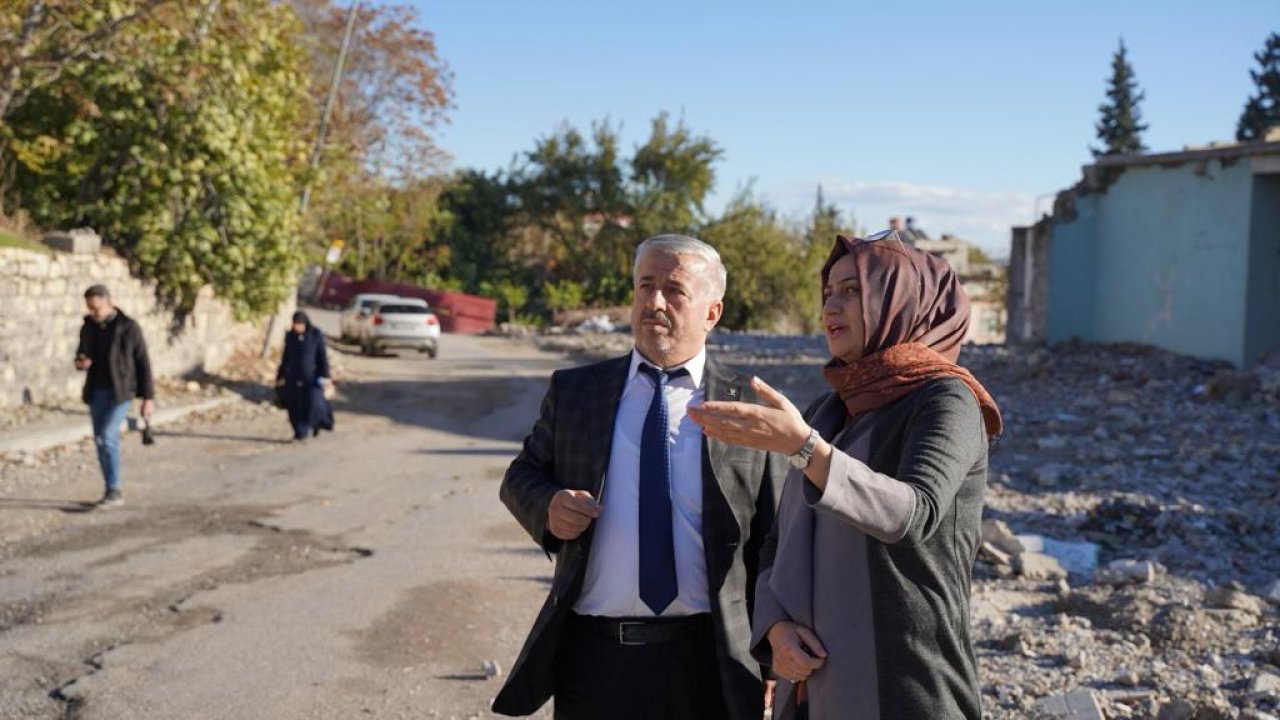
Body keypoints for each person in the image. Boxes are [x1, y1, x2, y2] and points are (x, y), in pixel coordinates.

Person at [690, 230, 1003, 719]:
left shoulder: (947, 400)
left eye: (852, 290)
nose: (831, 306)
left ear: (901, 299)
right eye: (828, 293)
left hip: (907, 685)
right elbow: (781, 537)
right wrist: (774, 629)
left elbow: (913, 514)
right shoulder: (829, 410)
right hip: (813, 690)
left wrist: (802, 446)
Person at [493, 235, 787, 720]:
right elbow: (521, 476)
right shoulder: (578, 392)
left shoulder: (746, 407)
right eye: (644, 286)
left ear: (711, 312)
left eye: (674, 289)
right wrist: (548, 506)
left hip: (710, 662)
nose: (654, 302)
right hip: (595, 661)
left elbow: (774, 540)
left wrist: (772, 658)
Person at [74, 284, 155, 508]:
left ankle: (114, 490)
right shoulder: (88, 327)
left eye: (96, 308)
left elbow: (143, 362)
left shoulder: (128, 327)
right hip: (96, 391)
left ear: (108, 302)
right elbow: (81, 355)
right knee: (100, 439)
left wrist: (148, 398)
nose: (93, 313)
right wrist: (81, 362)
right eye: (90, 309)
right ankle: (110, 487)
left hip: (121, 392)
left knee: (107, 435)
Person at [275, 311, 334, 441]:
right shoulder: (290, 337)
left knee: (312, 404)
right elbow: (285, 357)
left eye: (300, 324)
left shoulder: (315, 335)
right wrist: (280, 375)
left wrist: (326, 376)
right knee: (294, 405)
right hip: (293, 377)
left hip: (311, 377)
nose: (298, 327)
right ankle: (299, 431)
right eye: (296, 324)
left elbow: (321, 357)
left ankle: (313, 425)